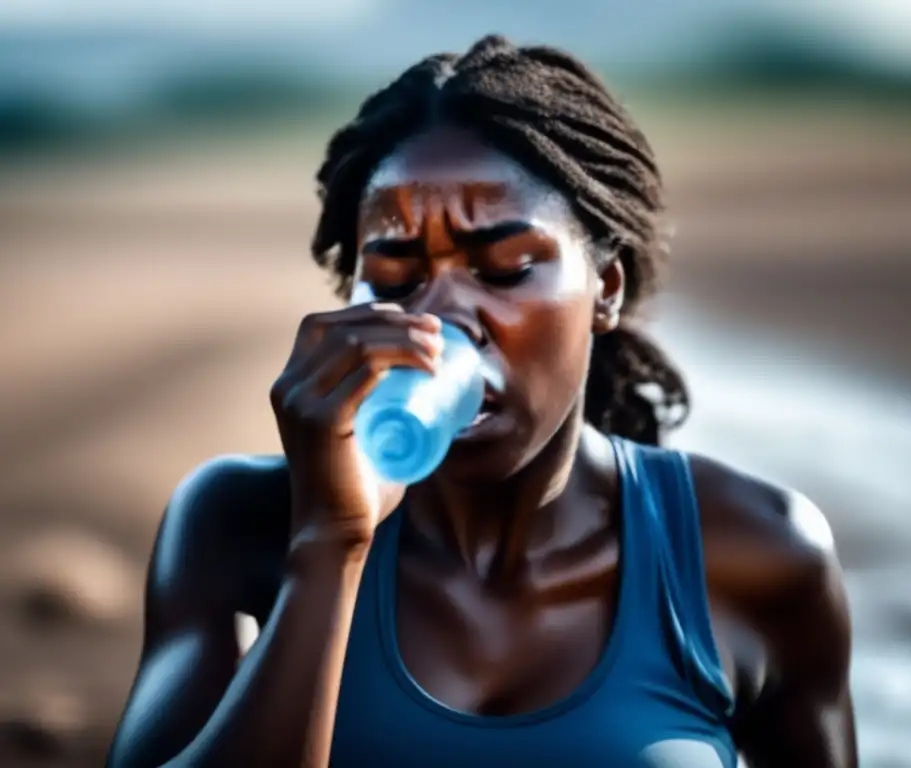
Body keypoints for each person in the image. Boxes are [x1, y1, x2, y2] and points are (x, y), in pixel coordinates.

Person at [107, 35, 856, 768]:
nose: (441, 315)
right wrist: (328, 546)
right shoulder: (239, 525)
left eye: (504, 268)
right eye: (396, 275)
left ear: (608, 288)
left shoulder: (758, 553)